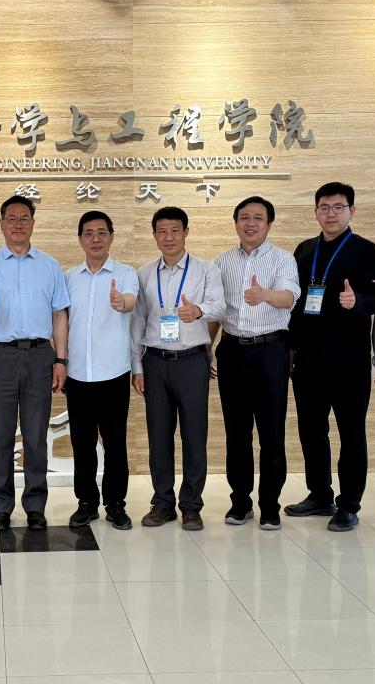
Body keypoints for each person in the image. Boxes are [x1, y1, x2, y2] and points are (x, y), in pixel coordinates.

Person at [287, 182, 375, 532]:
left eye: (338, 207)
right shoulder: (304, 250)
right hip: (307, 361)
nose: (331, 214)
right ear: (316, 212)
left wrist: (356, 302)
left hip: (349, 361)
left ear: (351, 211)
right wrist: (290, 350)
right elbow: (295, 304)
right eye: (324, 207)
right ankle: (319, 495)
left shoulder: (366, 251)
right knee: (311, 431)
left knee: (351, 433)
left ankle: (349, 504)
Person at [0, 195, 70, 531]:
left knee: (35, 435)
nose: (17, 224)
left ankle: (35, 506)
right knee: (0, 434)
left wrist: (60, 359)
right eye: (11, 218)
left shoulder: (49, 266)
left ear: (33, 224)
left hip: (40, 355)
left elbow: (59, 315)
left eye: (24, 218)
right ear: (1, 224)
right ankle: (1, 506)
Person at [132, 206, 225, 530]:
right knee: (159, 436)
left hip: (191, 361)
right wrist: (137, 366)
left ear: (186, 232)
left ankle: (191, 506)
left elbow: (220, 306)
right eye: (162, 231)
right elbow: (138, 320)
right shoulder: (144, 273)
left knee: (194, 435)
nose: (168, 237)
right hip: (155, 361)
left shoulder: (206, 269)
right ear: (154, 235)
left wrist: (198, 310)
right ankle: (162, 503)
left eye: (175, 230)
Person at [213, 196, 300, 530]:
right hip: (232, 350)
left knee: (271, 432)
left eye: (258, 218)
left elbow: (289, 297)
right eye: (244, 217)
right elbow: (217, 311)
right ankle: (240, 502)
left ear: (268, 224)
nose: (250, 223)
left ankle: (270, 506)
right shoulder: (222, 262)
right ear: (236, 222)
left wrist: (264, 294)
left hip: (270, 351)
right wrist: (207, 347)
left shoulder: (282, 259)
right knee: (236, 433)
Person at [65, 211, 139, 530]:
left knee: (114, 443)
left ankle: (116, 503)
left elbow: (131, 301)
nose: (96, 239)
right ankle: (86, 502)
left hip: (114, 374)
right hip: (77, 374)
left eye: (102, 233)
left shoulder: (125, 273)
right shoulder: (68, 277)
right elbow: (61, 321)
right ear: (80, 239)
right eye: (89, 233)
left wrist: (121, 302)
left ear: (111, 236)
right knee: (82, 444)